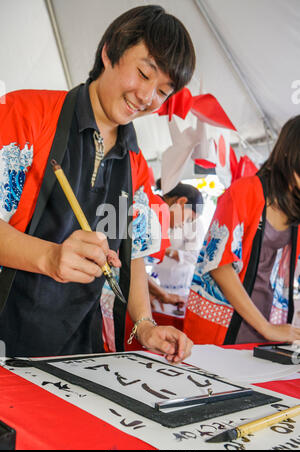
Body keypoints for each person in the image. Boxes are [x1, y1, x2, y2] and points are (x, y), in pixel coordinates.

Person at [0, 5, 195, 362]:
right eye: (143, 73)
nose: (148, 97)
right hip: (7, 336)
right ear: (109, 52)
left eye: (164, 92)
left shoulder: (135, 164)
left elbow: (134, 253)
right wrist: (50, 256)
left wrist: (146, 325)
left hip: (79, 351)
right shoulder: (25, 113)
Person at [184, 115, 300, 345]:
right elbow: (219, 264)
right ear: (290, 153)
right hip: (222, 328)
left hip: (268, 329)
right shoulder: (246, 191)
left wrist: (270, 329)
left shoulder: (296, 211)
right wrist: (266, 328)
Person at [148, 180, 204, 314]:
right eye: (189, 219)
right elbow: (132, 265)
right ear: (182, 202)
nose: (182, 225)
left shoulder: (157, 213)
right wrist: (159, 293)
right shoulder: (151, 212)